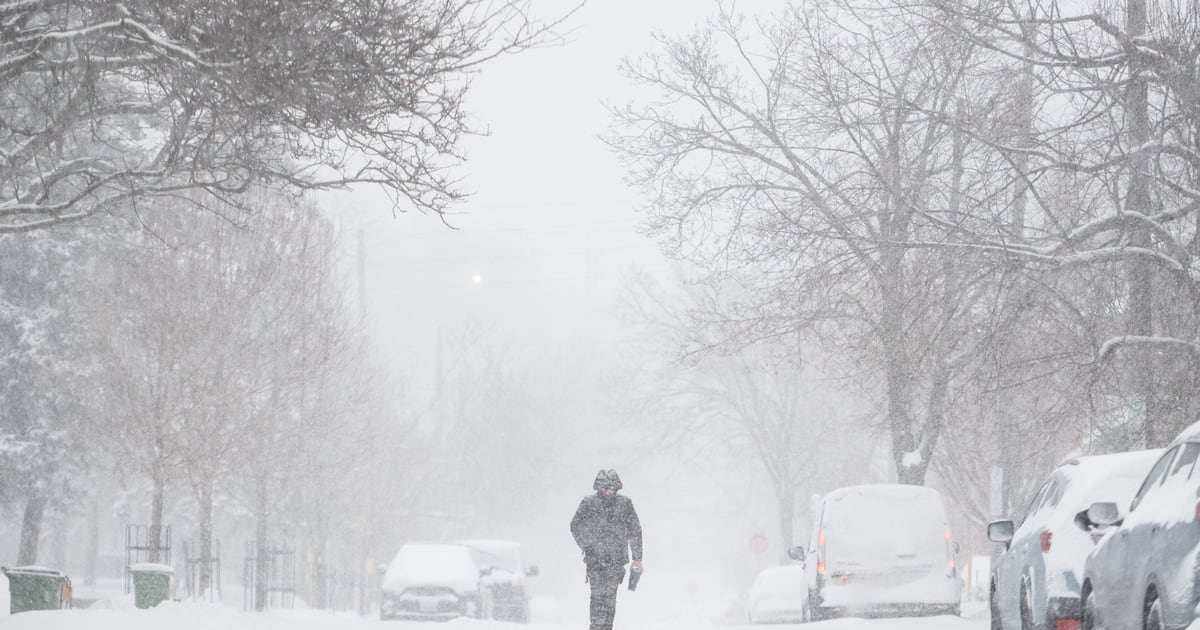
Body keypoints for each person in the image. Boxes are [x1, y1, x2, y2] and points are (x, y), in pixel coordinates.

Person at [570, 469, 643, 630]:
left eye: (612, 488)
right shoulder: (589, 503)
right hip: (594, 559)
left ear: (617, 488)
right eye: (606, 488)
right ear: (599, 487)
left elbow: (635, 530)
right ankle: (596, 626)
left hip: (615, 561)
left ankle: (607, 627)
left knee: (610, 597)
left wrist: (637, 558)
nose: (609, 491)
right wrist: (587, 545)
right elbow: (575, 525)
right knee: (597, 596)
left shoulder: (624, 504)